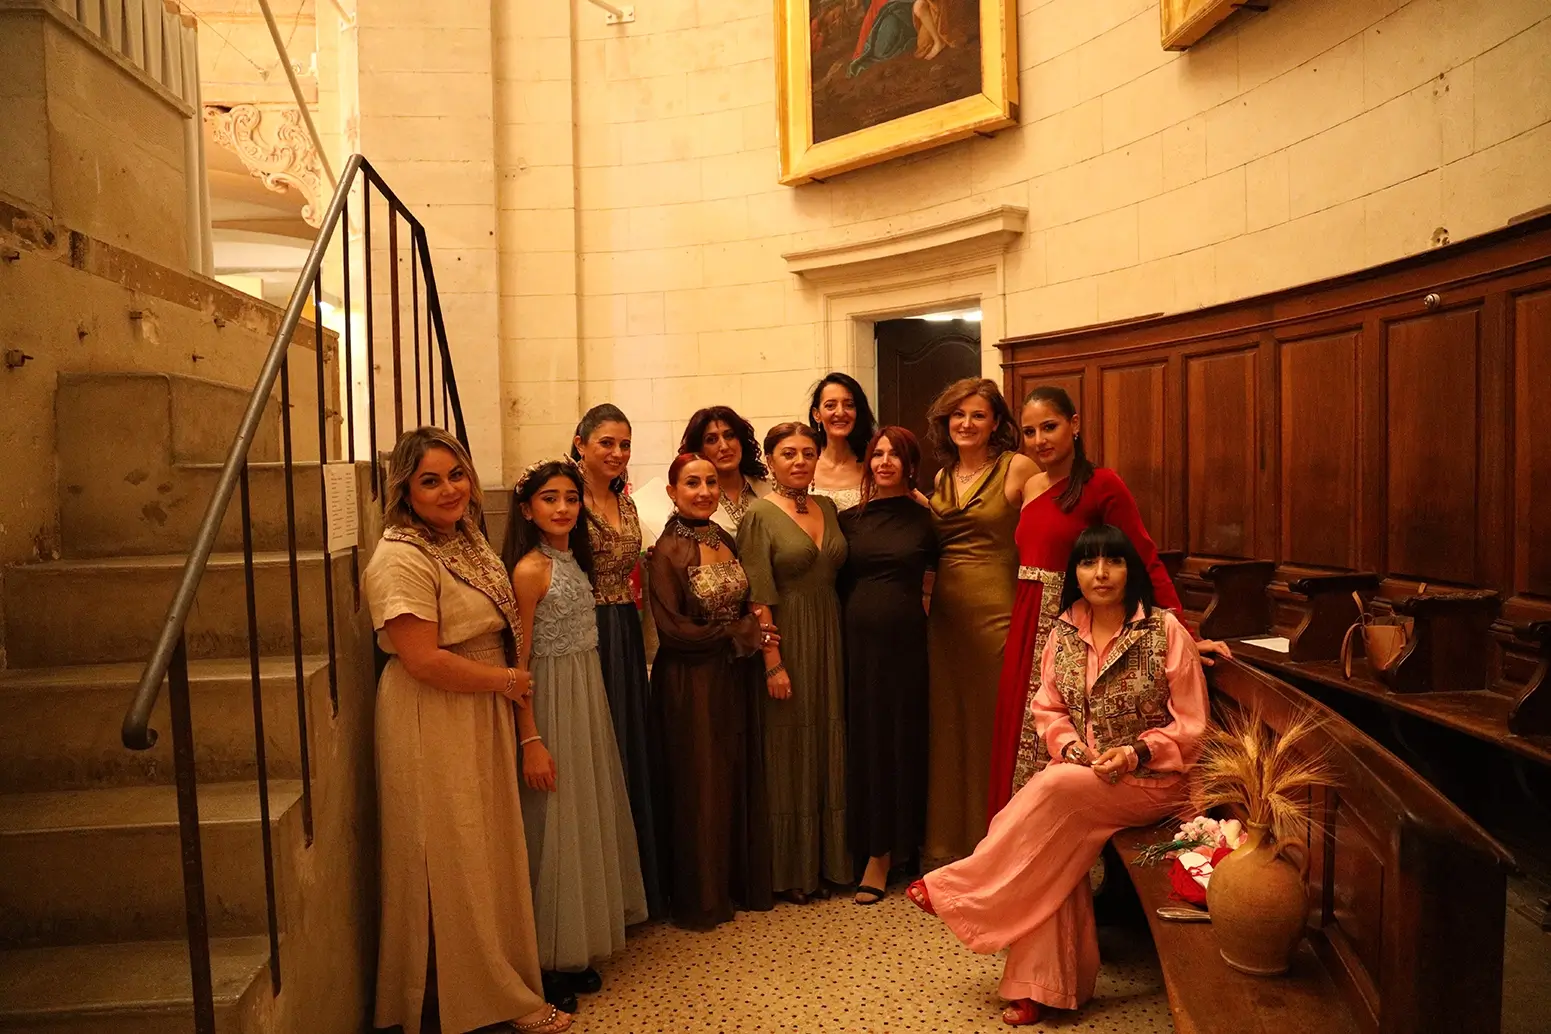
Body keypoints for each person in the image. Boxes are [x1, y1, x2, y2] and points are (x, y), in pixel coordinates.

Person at [908, 524, 1209, 1026]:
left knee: (1051, 787)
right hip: (1084, 781)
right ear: (1075, 573)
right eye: (1089, 563)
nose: (1101, 573)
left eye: (1113, 561)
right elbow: (1047, 708)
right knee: (1054, 848)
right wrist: (1068, 743)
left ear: (1130, 569)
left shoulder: (1164, 631)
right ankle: (1043, 988)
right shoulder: (1063, 631)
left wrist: (1135, 752)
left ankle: (961, 887)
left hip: (1157, 782)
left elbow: (1193, 728)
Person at [364, 427, 570, 1034]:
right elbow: (421, 659)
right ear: (404, 489)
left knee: (485, 851)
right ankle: (482, 998)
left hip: (477, 704)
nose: (449, 489)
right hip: (434, 711)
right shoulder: (400, 556)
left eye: (456, 475)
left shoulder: (466, 537)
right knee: (450, 854)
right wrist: (506, 682)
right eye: (430, 480)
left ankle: (487, 984)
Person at [987, 386, 1230, 819]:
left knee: (1069, 752)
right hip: (1028, 623)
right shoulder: (1028, 487)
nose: (1040, 439)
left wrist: (1186, 634)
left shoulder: (1103, 484)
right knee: (1021, 740)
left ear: (1074, 425)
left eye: (1050, 427)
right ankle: (1024, 855)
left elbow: (1144, 557)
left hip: (1073, 625)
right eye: (1029, 431)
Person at [502, 459, 647, 1001]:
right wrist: (530, 737)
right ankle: (545, 958)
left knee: (583, 816)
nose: (563, 508)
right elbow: (518, 662)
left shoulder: (572, 560)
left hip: (584, 697)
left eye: (570, 498)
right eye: (549, 499)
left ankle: (575, 943)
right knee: (552, 824)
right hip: (550, 704)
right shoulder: (529, 570)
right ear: (527, 509)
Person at [648, 453, 777, 929]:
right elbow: (674, 630)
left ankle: (734, 883)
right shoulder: (665, 551)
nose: (703, 491)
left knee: (732, 772)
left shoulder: (722, 536)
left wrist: (745, 632)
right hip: (690, 682)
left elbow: (745, 602)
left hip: (730, 675)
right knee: (699, 782)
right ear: (672, 492)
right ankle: (701, 898)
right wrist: (740, 633)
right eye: (691, 483)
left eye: (708, 483)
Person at [922, 377, 1037, 867]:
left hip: (1000, 614)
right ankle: (953, 847)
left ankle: (1002, 850)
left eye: (977, 415)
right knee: (950, 727)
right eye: (958, 416)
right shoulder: (942, 478)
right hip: (946, 620)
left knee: (996, 728)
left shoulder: (1018, 467)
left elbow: (1048, 535)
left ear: (996, 423)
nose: (966, 424)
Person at [737, 422, 849, 903]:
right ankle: (791, 871)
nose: (800, 461)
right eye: (789, 453)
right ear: (771, 459)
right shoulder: (759, 513)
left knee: (828, 737)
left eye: (808, 452)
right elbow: (758, 594)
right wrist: (773, 661)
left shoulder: (825, 506)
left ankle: (830, 862)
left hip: (831, 635)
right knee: (789, 745)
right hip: (789, 638)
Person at [570, 403, 665, 918]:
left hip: (624, 630)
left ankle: (634, 886)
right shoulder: (565, 498)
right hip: (582, 630)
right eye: (606, 442)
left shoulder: (626, 503)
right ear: (580, 443)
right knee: (592, 746)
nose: (617, 453)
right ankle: (594, 893)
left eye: (625, 444)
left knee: (628, 744)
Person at [837, 427, 937, 905]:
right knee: (868, 743)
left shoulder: (926, 519)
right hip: (856, 645)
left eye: (895, 455)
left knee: (906, 739)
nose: (884, 462)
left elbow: (947, 576)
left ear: (910, 463)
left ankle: (906, 847)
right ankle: (874, 851)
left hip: (907, 645)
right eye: (877, 454)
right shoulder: (848, 519)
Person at [636, 406, 770, 545]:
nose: (724, 446)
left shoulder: (769, 490)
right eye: (711, 440)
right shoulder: (691, 500)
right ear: (699, 449)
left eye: (729, 436)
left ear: (741, 441)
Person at [806, 372, 876, 513]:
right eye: (830, 406)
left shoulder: (874, 463)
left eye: (849, 405)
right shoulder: (804, 462)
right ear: (816, 414)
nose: (840, 412)